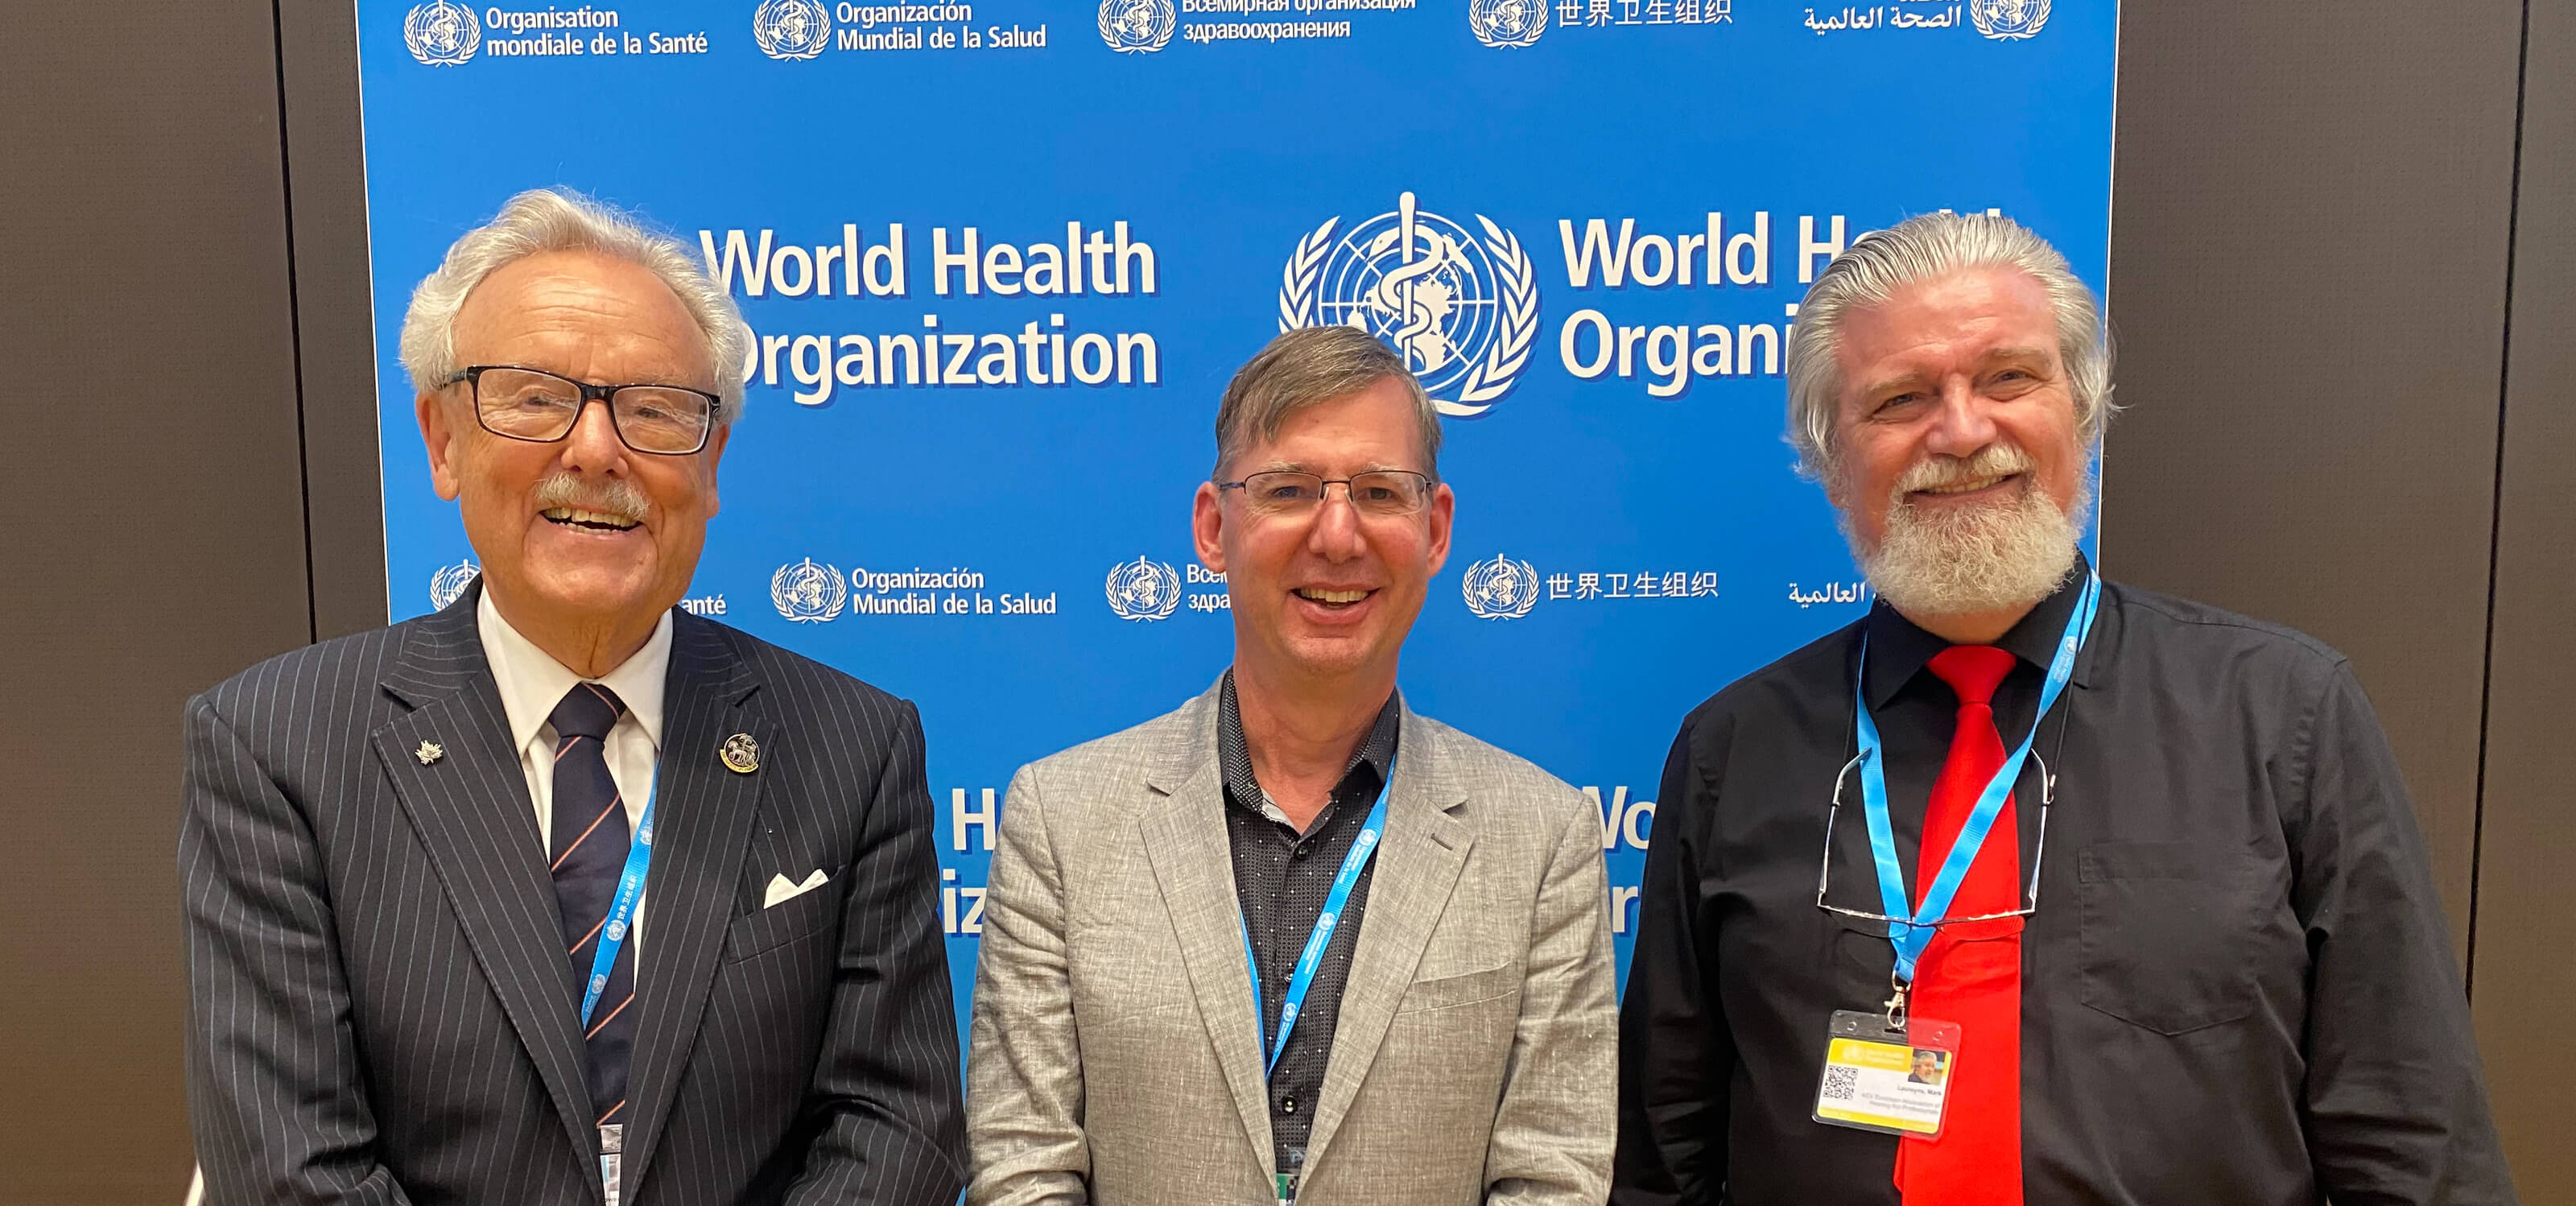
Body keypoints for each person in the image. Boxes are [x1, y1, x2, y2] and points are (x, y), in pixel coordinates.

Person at [1612, 212, 2516, 1205]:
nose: (1959, 431)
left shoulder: (2282, 716)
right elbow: (1666, 1159)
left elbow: (2414, 1147)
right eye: (1898, 399)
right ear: (1830, 461)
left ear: (2081, 414)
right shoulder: (1729, 752)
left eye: (2006, 378)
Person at [180, 188, 967, 1206]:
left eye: (653, 409)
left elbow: (895, 1122)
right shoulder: (278, 745)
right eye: (534, 395)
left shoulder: (851, 743)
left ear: (713, 460)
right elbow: (291, 1164)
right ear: (442, 439)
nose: (597, 451)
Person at [964, 326, 1616, 1206]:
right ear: (1211, 527)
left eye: (1380, 491)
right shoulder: (1061, 818)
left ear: (1434, 530)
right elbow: (1021, 1168)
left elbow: (1555, 1178)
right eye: (1288, 490)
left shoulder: (1542, 838)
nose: (1337, 534)